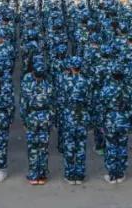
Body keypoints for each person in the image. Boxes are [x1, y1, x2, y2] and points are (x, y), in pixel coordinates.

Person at [20, 58, 53, 185]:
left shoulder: (27, 86)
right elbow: (53, 105)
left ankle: (34, 175)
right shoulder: (48, 85)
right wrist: (50, 119)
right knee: (43, 147)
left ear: (33, 72)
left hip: (32, 118)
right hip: (45, 118)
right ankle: (42, 175)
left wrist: (24, 120)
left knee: (33, 147)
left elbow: (23, 105)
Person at [58, 56, 90, 184]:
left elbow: (60, 100)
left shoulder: (64, 80)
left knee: (69, 145)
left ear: (70, 67)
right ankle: (80, 174)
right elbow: (89, 100)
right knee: (81, 146)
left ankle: (70, 174)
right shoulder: (86, 81)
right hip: (82, 116)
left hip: (68, 116)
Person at [100, 64, 130, 183]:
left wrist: (101, 123)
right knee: (122, 146)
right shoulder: (127, 89)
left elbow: (101, 107)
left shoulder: (106, 89)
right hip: (123, 120)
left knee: (111, 146)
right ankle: (121, 173)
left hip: (110, 120)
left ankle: (112, 174)